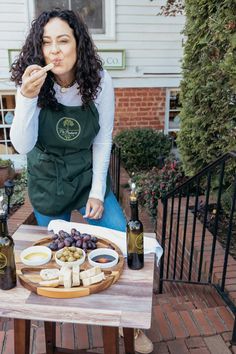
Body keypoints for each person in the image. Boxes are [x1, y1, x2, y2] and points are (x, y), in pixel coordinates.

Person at [10, 9, 153, 354]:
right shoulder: (32, 83)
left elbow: (103, 139)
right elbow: (22, 145)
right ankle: (59, 314)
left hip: (86, 176)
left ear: (79, 45)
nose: (54, 51)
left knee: (123, 241)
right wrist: (26, 99)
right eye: (46, 43)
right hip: (46, 179)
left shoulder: (99, 80)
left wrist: (99, 192)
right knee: (54, 258)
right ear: (39, 49)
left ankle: (129, 327)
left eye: (63, 40)